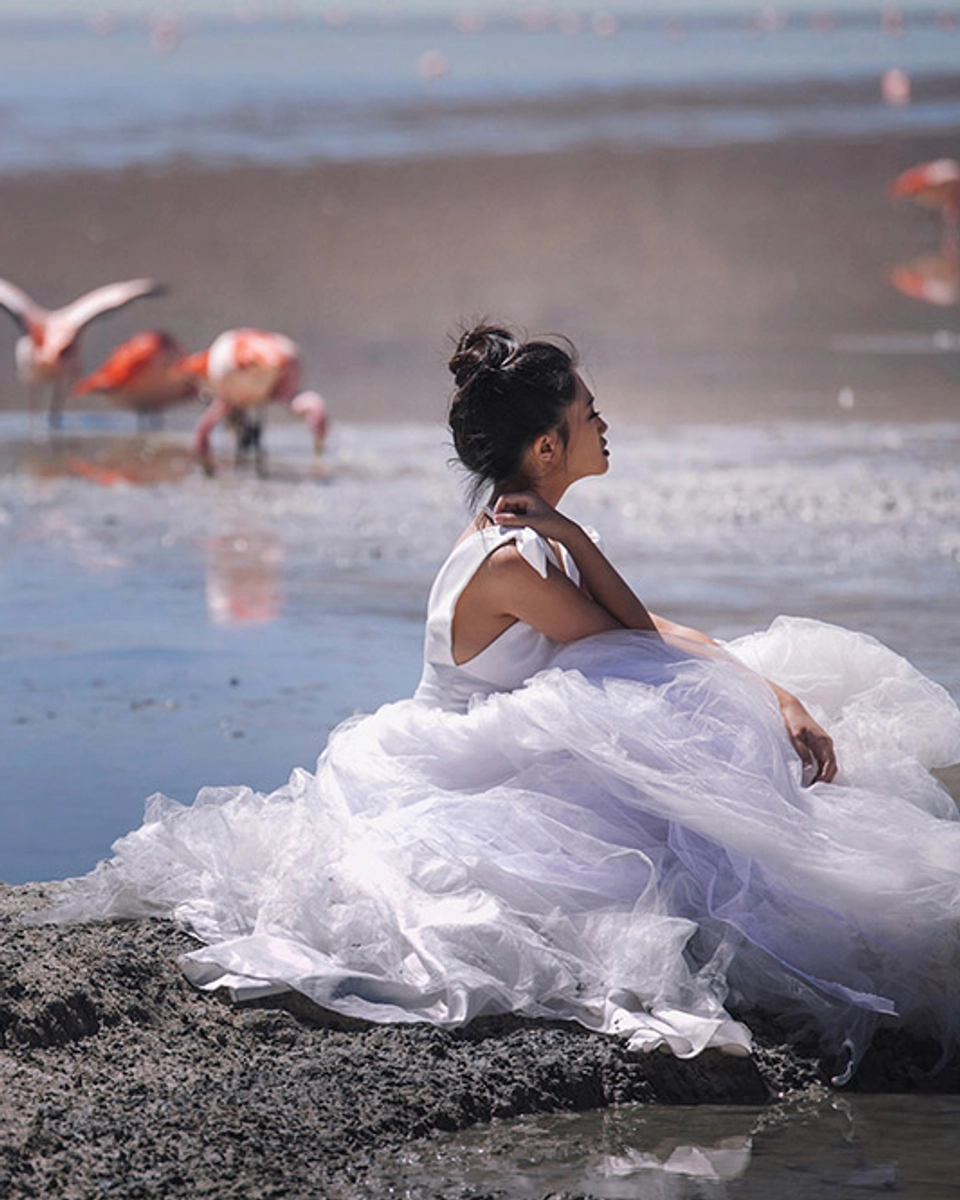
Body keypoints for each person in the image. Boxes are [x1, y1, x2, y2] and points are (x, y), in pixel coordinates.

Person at [39, 324, 960, 1082]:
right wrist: (750, 690)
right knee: (691, 714)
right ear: (548, 446)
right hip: (463, 769)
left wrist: (777, 688)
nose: (607, 426)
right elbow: (635, 640)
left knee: (743, 683)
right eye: (590, 416)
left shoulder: (533, 535)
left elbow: (633, 630)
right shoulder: (517, 556)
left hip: (509, 735)